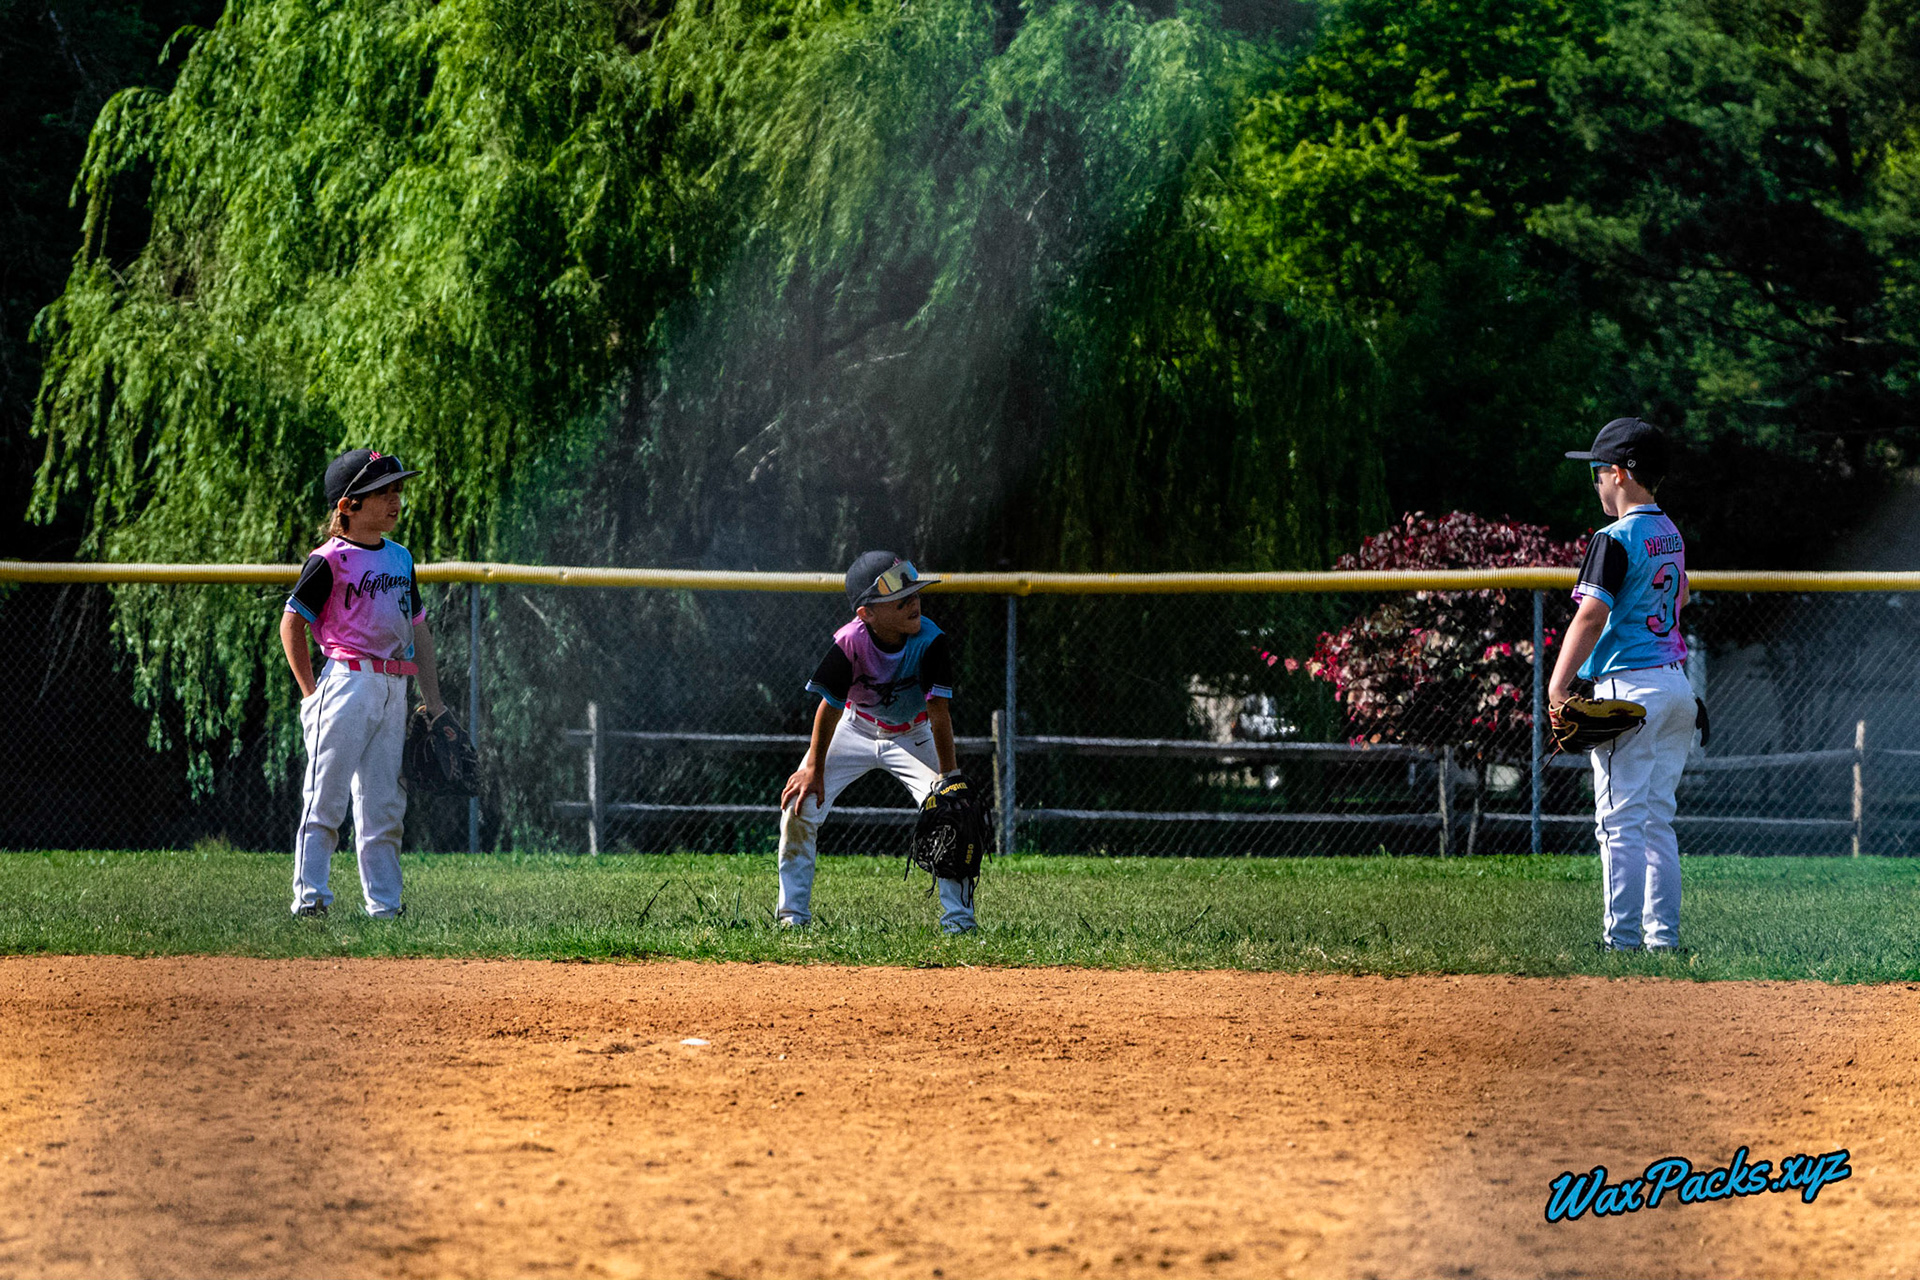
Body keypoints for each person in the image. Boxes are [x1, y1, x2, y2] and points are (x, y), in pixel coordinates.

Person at [279, 449, 446, 919]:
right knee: (325, 800)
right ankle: (310, 901)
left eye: (397, 490)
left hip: (395, 687)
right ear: (348, 506)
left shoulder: (400, 557)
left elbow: (418, 630)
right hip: (345, 683)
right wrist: (312, 694)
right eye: (382, 492)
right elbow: (291, 623)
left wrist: (433, 703)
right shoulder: (329, 559)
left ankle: (386, 908)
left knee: (384, 805)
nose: (395, 500)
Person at [1548, 417, 1693, 952]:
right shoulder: (1669, 532)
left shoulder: (1614, 537)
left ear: (1620, 474)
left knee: (1618, 823)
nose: (1596, 484)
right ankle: (1662, 941)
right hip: (1676, 685)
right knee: (1657, 819)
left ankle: (1622, 941)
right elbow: (1678, 604)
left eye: (1597, 472)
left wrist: (1558, 687)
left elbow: (1589, 616)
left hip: (1627, 690)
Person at [778, 552, 974, 933]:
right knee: (799, 805)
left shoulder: (931, 641)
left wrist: (950, 777)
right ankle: (791, 920)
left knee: (953, 812)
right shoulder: (850, 642)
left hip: (914, 733)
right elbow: (829, 709)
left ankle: (960, 925)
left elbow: (939, 713)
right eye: (900, 599)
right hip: (854, 727)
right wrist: (813, 769)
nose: (914, 601)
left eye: (915, 593)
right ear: (867, 613)